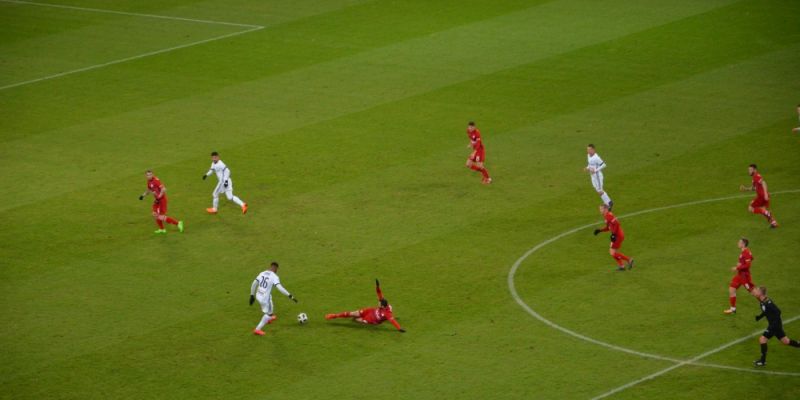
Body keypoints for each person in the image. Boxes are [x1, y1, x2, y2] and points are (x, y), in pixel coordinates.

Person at [325, 279, 406, 332]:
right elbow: (379, 294)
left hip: (372, 320)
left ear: (382, 306)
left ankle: (358, 320)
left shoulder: (387, 313)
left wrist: (399, 328)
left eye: (379, 303)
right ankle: (334, 316)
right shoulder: (384, 303)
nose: (378, 302)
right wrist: (377, 286)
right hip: (369, 311)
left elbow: (392, 321)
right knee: (352, 313)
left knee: (355, 320)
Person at [752, 286, 800, 366]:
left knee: (762, 339)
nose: (754, 292)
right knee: (786, 341)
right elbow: (766, 311)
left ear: (761, 293)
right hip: (775, 325)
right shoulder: (762, 301)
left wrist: (773, 325)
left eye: (756, 291)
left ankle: (762, 361)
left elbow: (778, 311)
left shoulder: (768, 302)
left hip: (774, 325)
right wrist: (759, 317)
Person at [249, 262, 298, 336]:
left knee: (270, 297)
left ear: (270, 267)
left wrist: (252, 295)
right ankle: (257, 329)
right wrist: (290, 296)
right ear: (276, 269)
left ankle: (270, 317)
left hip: (258, 295)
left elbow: (254, 283)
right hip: (265, 299)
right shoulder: (274, 276)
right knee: (267, 312)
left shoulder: (262, 273)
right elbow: (280, 288)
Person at [139, 170, 183, 234]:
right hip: (157, 200)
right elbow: (149, 189)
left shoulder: (156, 181)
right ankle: (162, 229)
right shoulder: (149, 181)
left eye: (151, 174)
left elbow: (164, 189)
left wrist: (159, 196)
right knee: (155, 213)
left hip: (162, 200)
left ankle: (178, 223)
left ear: (153, 174)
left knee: (160, 216)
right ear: (145, 176)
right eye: (148, 175)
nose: (150, 176)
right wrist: (143, 195)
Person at [593, 204, 633, 271]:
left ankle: (629, 260)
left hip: (618, 236)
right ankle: (622, 266)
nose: (600, 210)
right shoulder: (606, 216)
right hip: (618, 235)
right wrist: (600, 230)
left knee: (612, 252)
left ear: (605, 209)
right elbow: (608, 227)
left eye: (601, 209)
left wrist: (614, 234)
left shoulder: (609, 215)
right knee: (614, 252)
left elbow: (617, 223)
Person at [724, 238, 756, 315]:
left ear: (743, 244)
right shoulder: (745, 251)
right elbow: (751, 258)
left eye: (739, 242)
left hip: (745, 276)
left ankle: (766, 302)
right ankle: (733, 309)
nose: (738, 243)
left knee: (753, 292)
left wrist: (737, 267)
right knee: (732, 289)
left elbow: (748, 265)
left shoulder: (746, 252)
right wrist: (741, 265)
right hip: (740, 275)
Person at [739, 164, 778, 228]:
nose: (749, 171)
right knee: (764, 211)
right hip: (764, 196)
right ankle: (774, 223)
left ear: (754, 170)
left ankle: (766, 212)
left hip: (762, 196)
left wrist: (765, 194)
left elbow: (764, 183)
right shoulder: (754, 178)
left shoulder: (756, 176)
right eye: (748, 170)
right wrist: (745, 189)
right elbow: (754, 188)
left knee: (751, 208)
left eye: (750, 170)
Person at [584, 144, 613, 210]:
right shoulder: (588, 155)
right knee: (598, 191)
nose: (588, 151)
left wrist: (595, 170)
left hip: (597, 177)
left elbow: (604, 165)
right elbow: (590, 164)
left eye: (589, 149)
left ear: (593, 150)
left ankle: (608, 204)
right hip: (592, 176)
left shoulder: (596, 157)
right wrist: (587, 168)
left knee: (600, 191)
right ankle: (609, 202)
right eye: (587, 149)